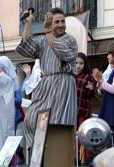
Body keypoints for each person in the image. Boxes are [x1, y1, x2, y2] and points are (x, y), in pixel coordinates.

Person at [16, 7, 78, 149]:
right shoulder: (43, 40)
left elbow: (63, 52)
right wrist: (28, 23)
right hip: (46, 84)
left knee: (57, 123)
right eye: (57, 21)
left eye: (63, 21)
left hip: (63, 83)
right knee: (32, 119)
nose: (61, 24)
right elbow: (26, 45)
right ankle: (38, 152)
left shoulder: (70, 39)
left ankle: (56, 154)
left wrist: (48, 30)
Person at [74, 52, 97, 164]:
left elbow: (92, 94)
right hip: (72, 111)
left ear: (85, 64)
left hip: (83, 111)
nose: (78, 65)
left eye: (81, 63)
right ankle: (76, 158)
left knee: (84, 134)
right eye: (76, 63)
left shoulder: (88, 77)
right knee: (74, 135)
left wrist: (92, 89)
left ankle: (88, 159)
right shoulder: (70, 76)